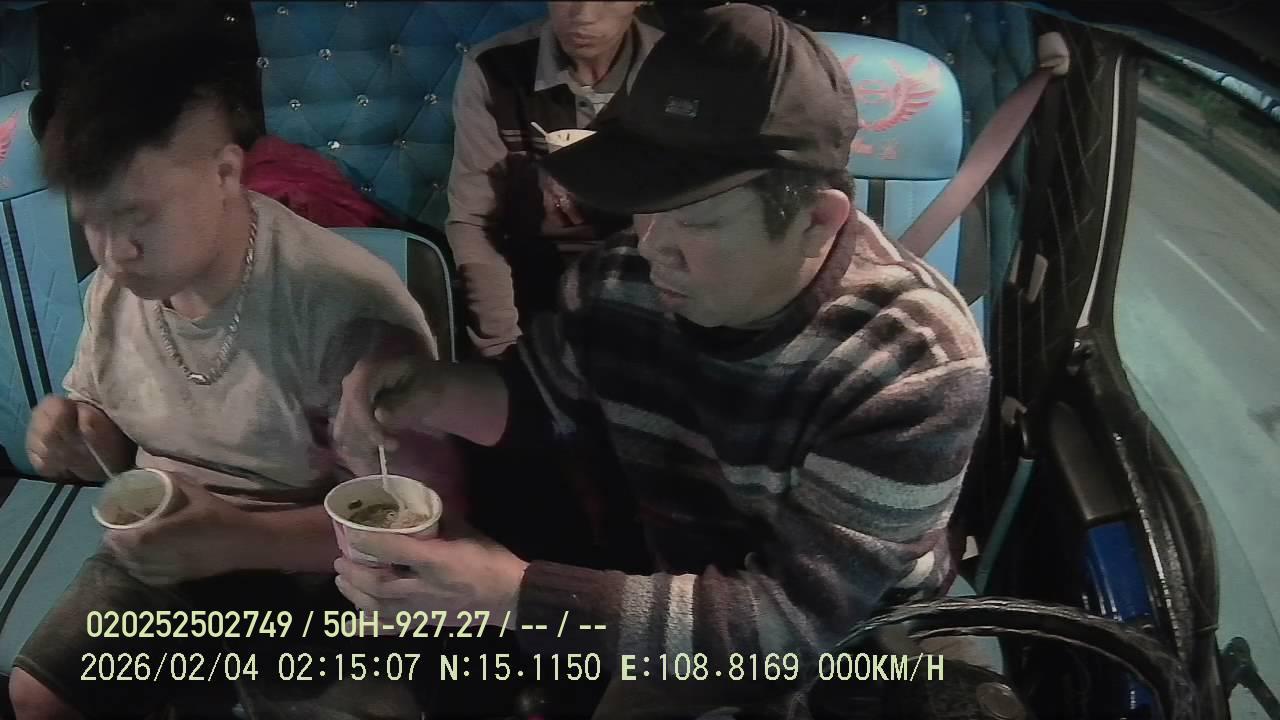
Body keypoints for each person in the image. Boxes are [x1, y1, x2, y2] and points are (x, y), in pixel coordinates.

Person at [333, 4, 990, 718]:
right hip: (672, 600)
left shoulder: (914, 362)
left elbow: (789, 624)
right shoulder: (619, 283)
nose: (651, 248)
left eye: (696, 220)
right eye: (644, 207)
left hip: (855, 648)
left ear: (815, 219)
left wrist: (509, 594)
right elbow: (544, 404)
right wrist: (427, 392)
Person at [12, 13, 458, 720]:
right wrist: (76, 432)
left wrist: (235, 541)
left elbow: (413, 528)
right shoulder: (116, 289)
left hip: (313, 571)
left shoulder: (345, 305)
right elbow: (110, 431)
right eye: (93, 221)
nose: (115, 252)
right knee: (38, 698)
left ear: (224, 172)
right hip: (162, 544)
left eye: (138, 216)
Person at [447, 0, 661, 358]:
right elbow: (473, 221)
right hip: (531, 288)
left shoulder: (677, 68)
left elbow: (692, 221)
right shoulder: (493, 67)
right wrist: (502, 345)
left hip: (645, 290)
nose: (584, 15)